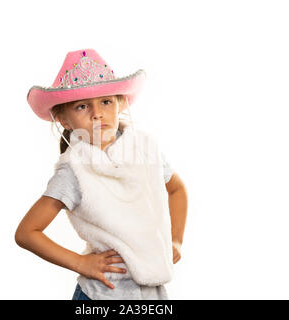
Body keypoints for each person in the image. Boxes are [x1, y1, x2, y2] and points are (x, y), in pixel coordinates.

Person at [15, 48, 188, 300]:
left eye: (106, 102)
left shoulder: (144, 150)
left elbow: (176, 189)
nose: (97, 113)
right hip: (102, 295)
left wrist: (176, 241)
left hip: (151, 292)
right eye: (82, 106)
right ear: (63, 119)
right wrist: (81, 263)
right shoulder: (73, 171)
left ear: (119, 104)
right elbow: (27, 232)